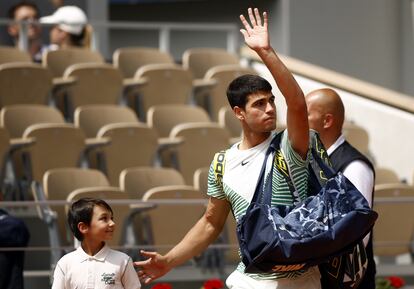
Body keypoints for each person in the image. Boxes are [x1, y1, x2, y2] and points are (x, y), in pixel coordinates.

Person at [135, 8, 321, 289]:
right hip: (249, 280)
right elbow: (211, 223)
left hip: (299, 281)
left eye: (271, 101)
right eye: (259, 104)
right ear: (239, 113)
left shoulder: (288, 147)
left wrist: (266, 51)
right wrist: (169, 260)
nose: (270, 109)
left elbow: (297, 104)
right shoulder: (222, 162)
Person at [306, 88, 376, 289]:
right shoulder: (311, 160)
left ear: (327, 121)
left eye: (306, 113)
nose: (297, 118)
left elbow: (358, 236)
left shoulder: (354, 166)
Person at [51, 198, 141, 289]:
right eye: (104, 218)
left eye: (111, 218)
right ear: (83, 227)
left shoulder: (124, 261)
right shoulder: (65, 264)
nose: (112, 223)